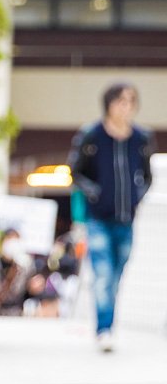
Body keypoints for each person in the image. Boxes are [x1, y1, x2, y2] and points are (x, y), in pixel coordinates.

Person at [68, 82, 154, 351]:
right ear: (109, 104)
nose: (126, 107)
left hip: (127, 218)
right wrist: (95, 193)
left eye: (131, 101)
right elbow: (76, 171)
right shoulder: (92, 135)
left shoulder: (141, 138)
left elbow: (147, 175)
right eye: (120, 101)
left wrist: (137, 196)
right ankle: (104, 329)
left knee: (116, 275)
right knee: (103, 273)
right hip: (98, 218)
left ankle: (107, 324)